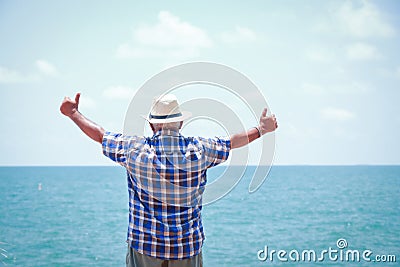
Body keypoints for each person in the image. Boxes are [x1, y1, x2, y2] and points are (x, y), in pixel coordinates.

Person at [60, 93, 278, 267]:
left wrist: (74, 113)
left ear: (153, 125)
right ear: (180, 122)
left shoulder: (134, 150)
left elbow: (100, 135)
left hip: (145, 247)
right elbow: (231, 142)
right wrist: (261, 129)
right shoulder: (200, 149)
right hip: (186, 248)